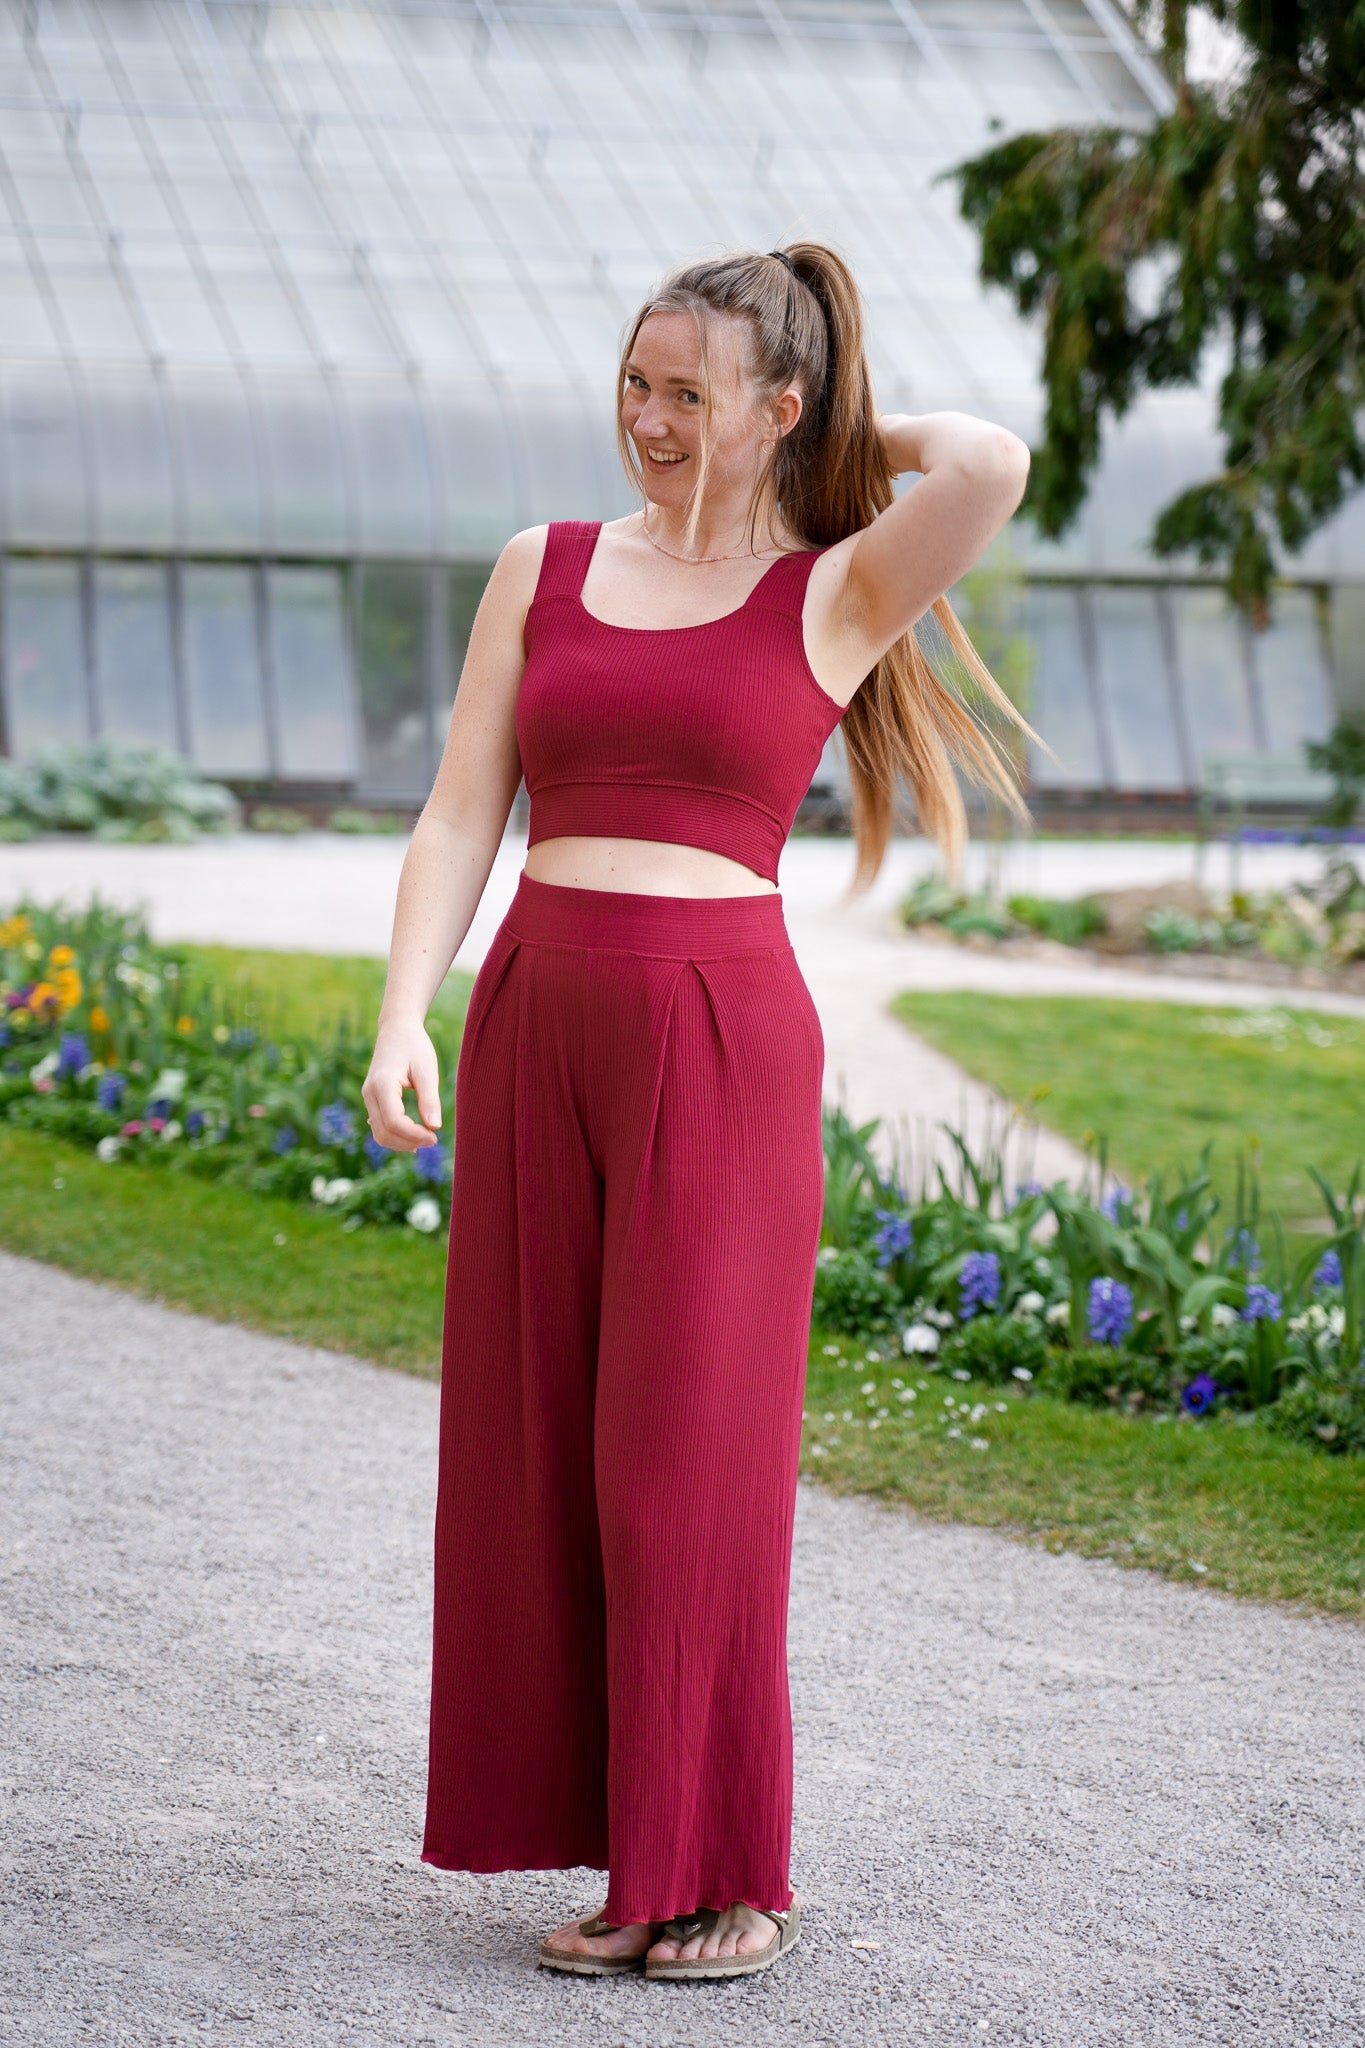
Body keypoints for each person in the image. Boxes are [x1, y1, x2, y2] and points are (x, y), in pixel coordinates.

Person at [362, 242, 1035, 1984]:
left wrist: (843, 438)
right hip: (536, 1017)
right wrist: (403, 1013)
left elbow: (989, 463)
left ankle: (721, 1865)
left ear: (775, 407)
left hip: (719, 1045)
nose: (647, 420)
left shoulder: (833, 589)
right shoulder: (544, 566)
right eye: (634, 383)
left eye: (688, 393)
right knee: (535, 1455)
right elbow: (459, 812)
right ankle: (626, 1859)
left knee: (681, 1472)